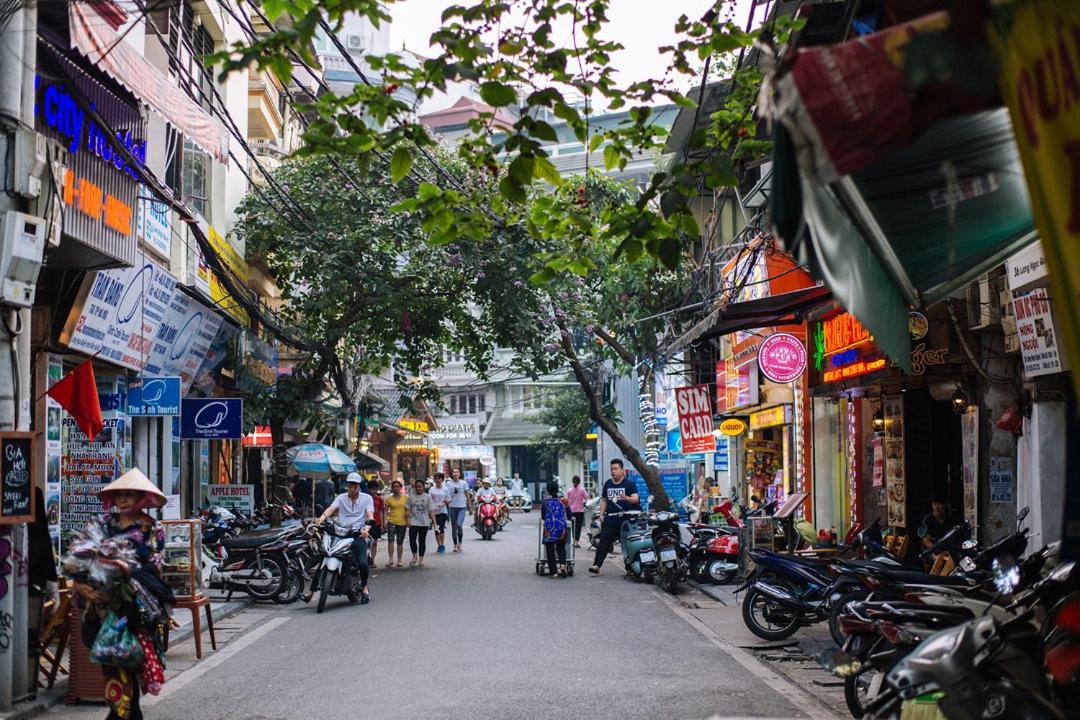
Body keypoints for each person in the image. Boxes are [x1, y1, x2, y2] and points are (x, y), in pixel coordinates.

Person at [69, 469, 174, 720]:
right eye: (120, 495)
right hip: (99, 611)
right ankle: (126, 713)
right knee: (114, 660)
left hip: (131, 612)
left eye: (130, 495)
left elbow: (153, 569)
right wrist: (80, 586)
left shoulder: (152, 528)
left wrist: (120, 576)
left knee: (123, 659)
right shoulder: (103, 525)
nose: (124, 500)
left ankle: (121, 714)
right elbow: (79, 560)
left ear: (141, 497)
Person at [309, 473, 373, 603]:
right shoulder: (341, 498)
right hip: (339, 534)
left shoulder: (367, 498)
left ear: (359, 486)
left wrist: (366, 529)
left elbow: (370, 515)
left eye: (355, 486)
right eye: (350, 486)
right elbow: (331, 509)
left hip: (357, 535)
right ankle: (310, 592)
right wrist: (321, 519)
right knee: (324, 556)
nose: (352, 488)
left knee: (363, 563)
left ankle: (364, 587)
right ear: (347, 486)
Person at [589, 459, 640, 574]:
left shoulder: (629, 483)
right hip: (611, 519)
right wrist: (601, 514)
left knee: (627, 544)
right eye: (611, 469)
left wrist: (626, 498)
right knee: (604, 542)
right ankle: (597, 565)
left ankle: (630, 568)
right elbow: (604, 500)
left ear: (622, 470)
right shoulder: (608, 484)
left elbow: (636, 499)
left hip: (626, 520)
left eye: (616, 469)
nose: (613, 471)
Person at [541, 481, 571, 578]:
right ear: (558, 489)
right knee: (561, 547)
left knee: (550, 549)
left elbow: (543, 516)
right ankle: (562, 565)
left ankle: (553, 572)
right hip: (561, 528)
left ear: (548, 491)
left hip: (549, 528)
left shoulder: (545, 502)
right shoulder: (563, 501)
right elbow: (570, 515)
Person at [406, 480, 437, 567]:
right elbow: (407, 510)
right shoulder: (411, 497)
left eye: (420, 486)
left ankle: (421, 558)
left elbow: (431, 511)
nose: (418, 488)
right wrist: (408, 520)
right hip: (414, 522)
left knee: (421, 540)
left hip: (424, 522)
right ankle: (414, 556)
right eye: (417, 487)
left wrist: (434, 522)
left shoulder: (428, 497)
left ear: (423, 487)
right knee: (412, 539)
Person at [384, 480, 409, 568]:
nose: (396, 488)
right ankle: (390, 560)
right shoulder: (389, 499)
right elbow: (385, 511)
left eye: (397, 486)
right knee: (390, 541)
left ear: (400, 487)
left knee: (400, 542)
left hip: (402, 523)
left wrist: (408, 520)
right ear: (392, 488)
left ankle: (399, 560)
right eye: (394, 486)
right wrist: (385, 521)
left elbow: (408, 509)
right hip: (391, 522)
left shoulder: (405, 498)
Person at [446, 468, 470, 553]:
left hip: (462, 507)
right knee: (454, 527)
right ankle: (455, 545)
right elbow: (446, 495)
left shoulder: (463, 483)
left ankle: (460, 543)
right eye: (454, 472)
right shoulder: (448, 484)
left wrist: (469, 507)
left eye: (457, 472)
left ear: (460, 474)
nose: (456, 473)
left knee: (459, 525)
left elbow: (467, 495)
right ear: (451, 474)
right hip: (452, 507)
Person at [428, 473, 451, 553]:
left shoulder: (445, 489)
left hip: (443, 511)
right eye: (436, 478)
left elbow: (449, 499)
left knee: (441, 527)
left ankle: (442, 544)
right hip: (434, 512)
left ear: (442, 479)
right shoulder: (431, 489)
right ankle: (439, 545)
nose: (437, 480)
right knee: (436, 528)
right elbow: (429, 500)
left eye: (439, 478)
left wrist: (445, 502)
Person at [564, 475, 589, 548]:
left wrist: (568, 505)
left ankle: (573, 541)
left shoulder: (569, 490)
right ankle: (576, 542)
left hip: (572, 511)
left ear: (573, 481)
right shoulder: (582, 490)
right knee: (578, 527)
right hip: (580, 511)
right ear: (579, 482)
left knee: (573, 526)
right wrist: (583, 503)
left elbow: (565, 499)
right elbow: (586, 498)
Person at [367, 478, 385, 567]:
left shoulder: (379, 499)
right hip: (367, 523)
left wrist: (382, 524)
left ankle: (372, 560)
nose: (374, 491)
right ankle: (367, 559)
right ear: (369, 489)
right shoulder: (365, 498)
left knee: (374, 543)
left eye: (375, 489)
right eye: (372, 489)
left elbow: (381, 511)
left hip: (376, 523)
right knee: (366, 543)